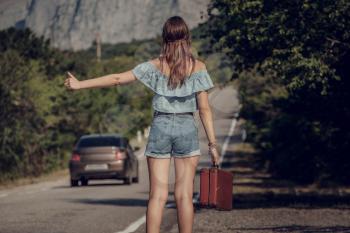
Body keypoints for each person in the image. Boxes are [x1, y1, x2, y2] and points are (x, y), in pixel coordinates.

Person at [64, 15, 220, 233]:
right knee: (184, 195)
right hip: (186, 127)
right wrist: (213, 145)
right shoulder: (199, 67)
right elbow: (204, 109)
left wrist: (80, 85)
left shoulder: (154, 66)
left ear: (164, 39)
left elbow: (117, 78)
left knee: (157, 195)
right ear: (187, 38)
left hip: (160, 127)